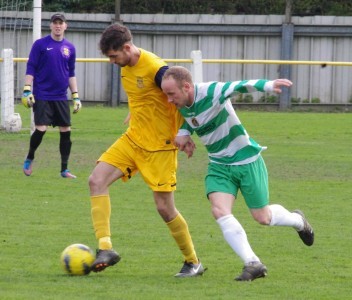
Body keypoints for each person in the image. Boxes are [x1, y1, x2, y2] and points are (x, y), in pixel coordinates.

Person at [161, 66, 314, 281]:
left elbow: (239, 86)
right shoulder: (183, 102)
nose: (168, 100)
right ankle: (253, 263)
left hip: (247, 161)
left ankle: (298, 220)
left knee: (263, 217)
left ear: (186, 87)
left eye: (171, 94)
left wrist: (268, 85)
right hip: (219, 166)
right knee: (219, 211)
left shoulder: (212, 91)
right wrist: (184, 133)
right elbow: (191, 117)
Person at [88, 24, 204, 278]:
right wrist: (136, 111)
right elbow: (144, 96)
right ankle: (105, 249)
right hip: (133, 140)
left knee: (164, 208)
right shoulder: (127, 65)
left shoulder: (156, 69)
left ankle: (192, 262)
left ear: (127, 48)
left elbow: (185, 97)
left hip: (160, 148)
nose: (111, 61)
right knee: (96, 180)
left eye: (114, 56)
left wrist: (185, 132)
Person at [21, 13, 81, 178]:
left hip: (61, 96)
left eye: (60, 23)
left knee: (66, 130)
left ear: (65, 26)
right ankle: (29, 158)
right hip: (43, 95)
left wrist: (75, 95)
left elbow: (71, 73)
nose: (58, 26)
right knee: (41, 128)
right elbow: (31, 66)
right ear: (51, 25)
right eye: (55, 23)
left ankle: (64, 169)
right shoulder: (40, 44)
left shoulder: (70, 48)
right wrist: (27, 88)